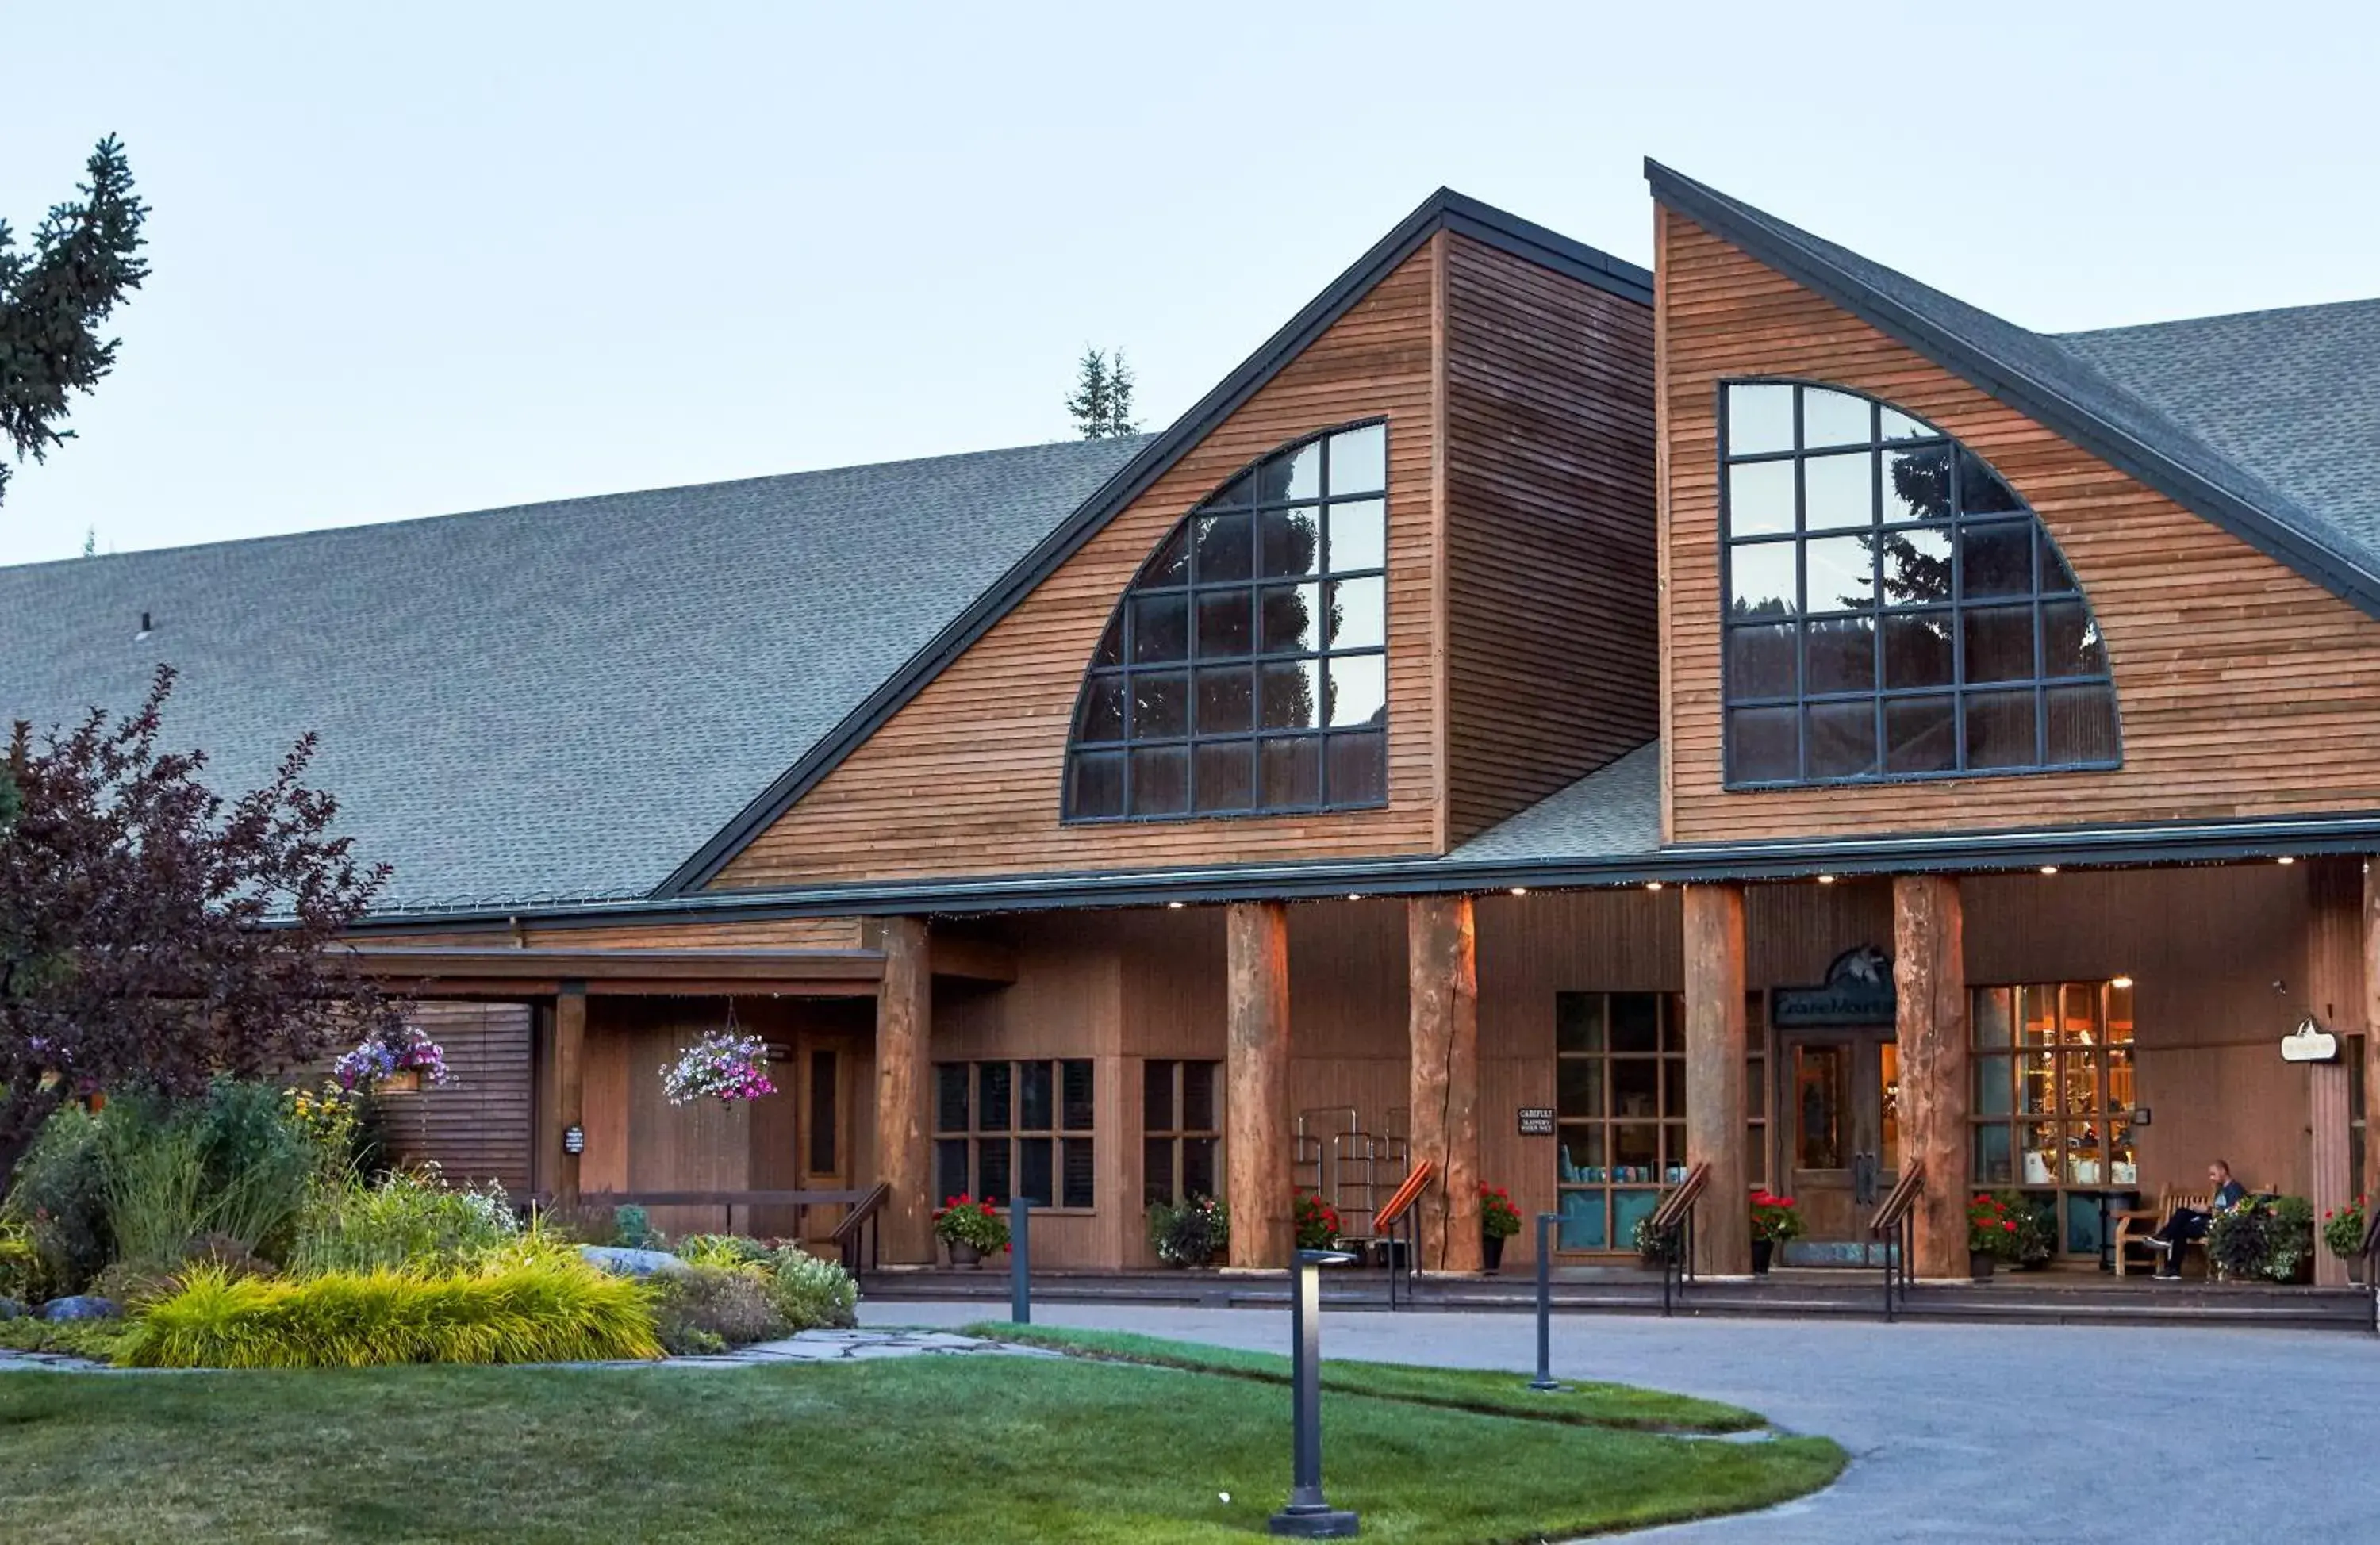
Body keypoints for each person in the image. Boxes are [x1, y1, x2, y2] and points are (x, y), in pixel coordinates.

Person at [2141, 1160, 2248, 1279]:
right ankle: (2164, 1239)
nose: (2211, 1178)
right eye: (2210, 1175)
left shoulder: (2235, 1189)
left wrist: (2207, 1210)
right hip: (2210, 1219)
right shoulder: (2221, 1190)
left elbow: (2233, 1213)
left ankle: (2172, 1265)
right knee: (2182, 1212)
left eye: (2213, 1174)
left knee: (2180, 1229)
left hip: (2220, 1225)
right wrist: (2202, 1209)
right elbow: (2217, 1209)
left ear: (2223, 1171)